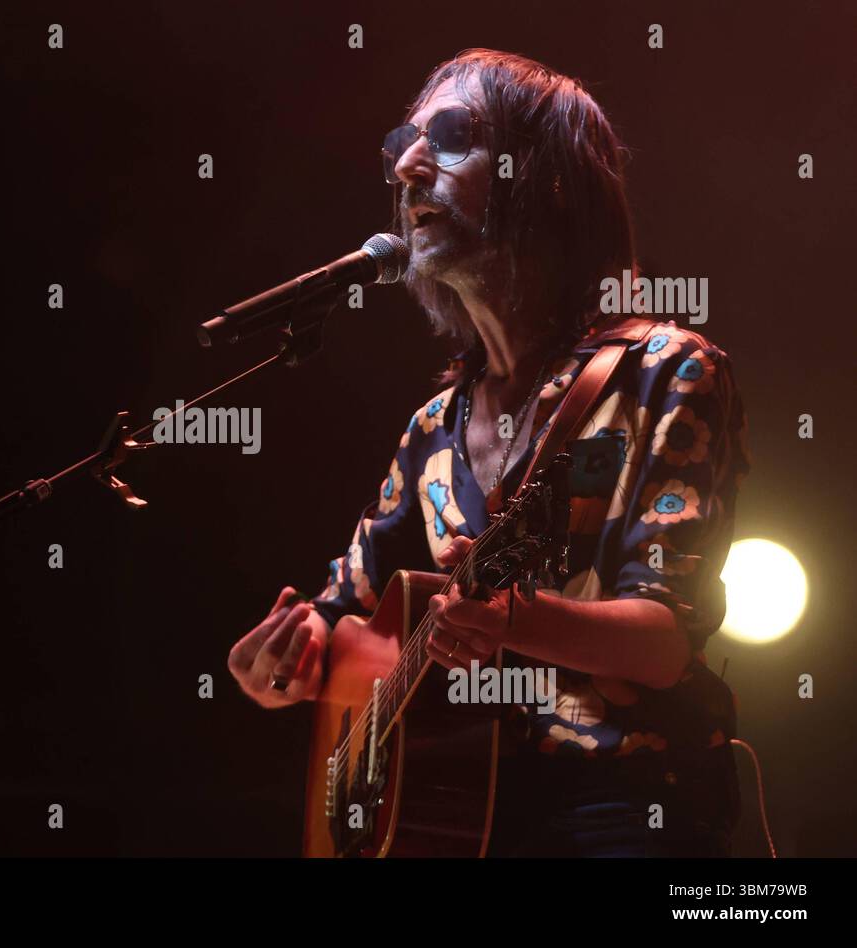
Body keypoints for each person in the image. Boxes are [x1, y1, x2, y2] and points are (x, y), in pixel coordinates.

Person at [226, 49, 749, 857]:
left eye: (454, 135)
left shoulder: (667, 372)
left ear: (544, 176)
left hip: (624, 814)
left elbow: (665, 638)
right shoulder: (433, 428)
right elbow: (336, 623)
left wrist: (514, 619)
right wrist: (277, 670)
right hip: (467, 826)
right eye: (404, 140)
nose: (406, 164)